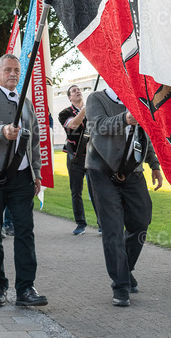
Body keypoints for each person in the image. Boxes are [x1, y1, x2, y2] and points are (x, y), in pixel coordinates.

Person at [0, 54, 48, 308]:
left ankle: (25, 288)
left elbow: (34, 140)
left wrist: (36, 172)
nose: (13, 74)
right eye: (7, 70)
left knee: (25, 231)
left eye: (16, 70)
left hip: (21, 177)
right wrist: (2, 131)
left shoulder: (26, 103)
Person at [86, 87, 162, 307]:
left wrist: (153, 164)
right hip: (102, 171)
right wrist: (126, 118)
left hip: (132, 172)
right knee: (113, 228)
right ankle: (120, 285)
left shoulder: (137, 98)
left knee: (141, 221)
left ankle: (125, 269)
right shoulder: (96, 99)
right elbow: (99, 126)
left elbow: (143, 134)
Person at [59, 84, 100, 234]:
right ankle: (80, 224)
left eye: (79, 90)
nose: (77, 92)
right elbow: (74, 125)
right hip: (75, 158)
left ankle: (102, 224)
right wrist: (85, 110)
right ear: (69, 97)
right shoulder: (64, 113)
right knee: (76, 191)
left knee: (96, 191)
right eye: (73, 91)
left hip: (93, 157)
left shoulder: (94, 110)